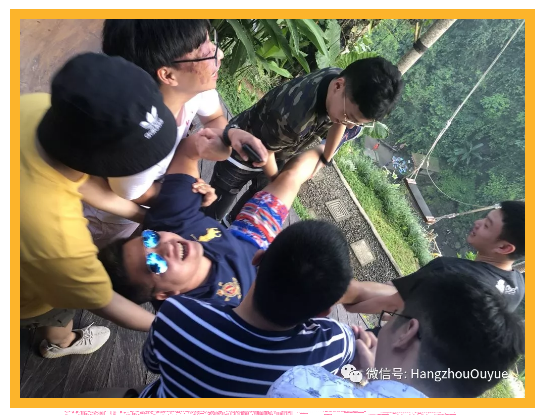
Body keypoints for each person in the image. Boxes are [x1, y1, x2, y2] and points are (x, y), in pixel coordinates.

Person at [20, 53, 179, 358]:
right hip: (25, 289)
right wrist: (175, 327)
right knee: (57, 310)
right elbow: (103, 300)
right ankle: (60, 343)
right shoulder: (58, 240)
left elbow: (78, 181)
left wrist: (141, 215)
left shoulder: (39, 109)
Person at [84, 19, 267, 248]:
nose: (219, 54)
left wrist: (230, 135)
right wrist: (186, 194)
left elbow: (214, 118)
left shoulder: (189, 89)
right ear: (168, 75)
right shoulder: (137, 141)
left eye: (211, 41)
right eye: (206, 53)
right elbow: (135, 193)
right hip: (100, 219)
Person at [205, 56, 404, 223]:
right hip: (243, 152)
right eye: (349, 117)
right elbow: (266, 154)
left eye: (357, 123)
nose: (350, 126)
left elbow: (340, 125)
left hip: (278, 152)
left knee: (256, 197)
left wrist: (325, 159)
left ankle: (230, 225)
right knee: (214, 209)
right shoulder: (293, 117)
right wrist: (283, 184)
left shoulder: (340, 84)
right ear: (338, 86)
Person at [267, 271, 525, 398]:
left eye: (395, 315)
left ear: (407, 333)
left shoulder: (302, 386)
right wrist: (376, 377)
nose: (388, 320)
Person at [340, 200, 525, 319]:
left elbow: (392, 303)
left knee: (350, 290)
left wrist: (349, 303)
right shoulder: (516, 287)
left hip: (397, 353)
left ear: (504, 247)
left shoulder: (449, 270)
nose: (477, 223)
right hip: (443, 362)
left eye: (487, 225)